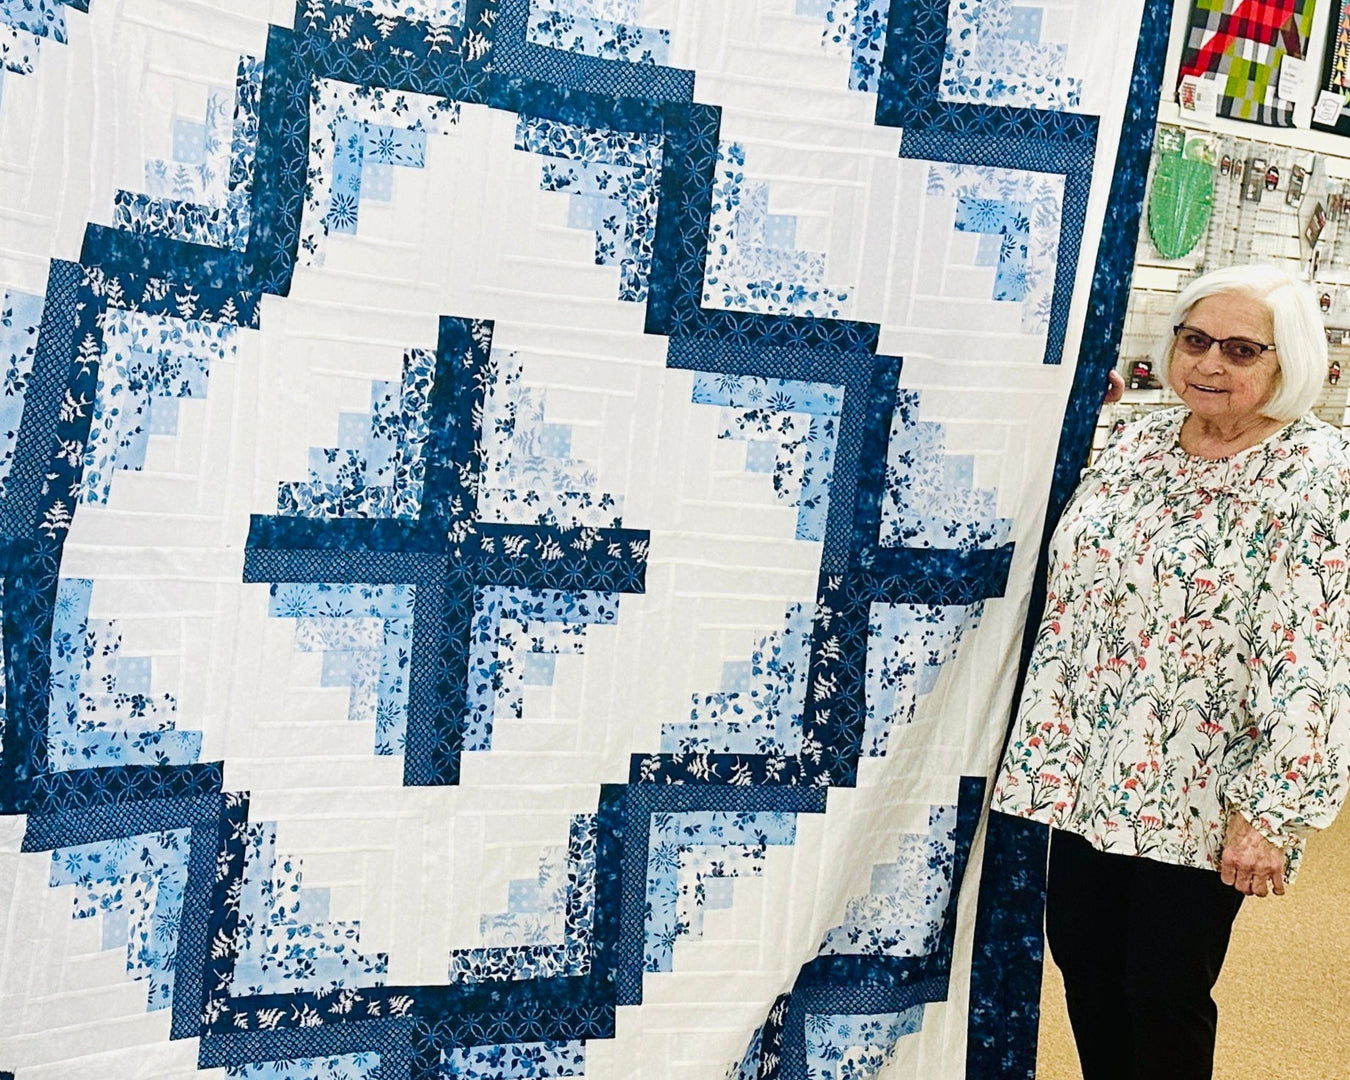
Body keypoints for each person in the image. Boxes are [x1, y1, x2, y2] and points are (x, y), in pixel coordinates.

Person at [991, 264, 1350, 1080]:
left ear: (1287, 362)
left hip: (1205, 775)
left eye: (1240, 349)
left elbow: (1318, 649)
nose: (1211, 364)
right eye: (1195, 341)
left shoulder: (1320, 471)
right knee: (1084, 961)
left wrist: (1272, 808)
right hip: (1091, 760)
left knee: (1162, 986)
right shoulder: (1133, 439)